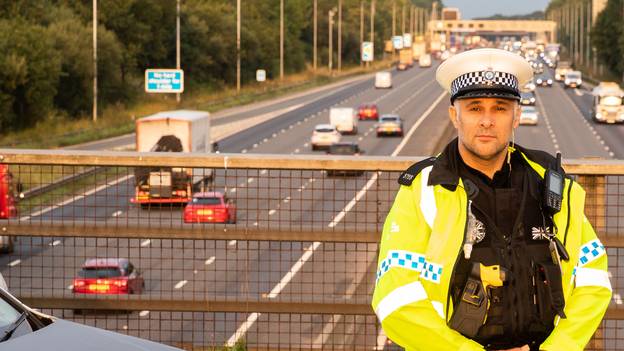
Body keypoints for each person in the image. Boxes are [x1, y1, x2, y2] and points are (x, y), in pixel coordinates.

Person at [371, 48, 611, 351]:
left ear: (517, 116)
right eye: (474, 108)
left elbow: (593, 281)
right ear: (454, 115)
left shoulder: (554, 187)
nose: (487, 121)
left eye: (499, 108)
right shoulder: (424, 191)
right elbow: (396, 299)